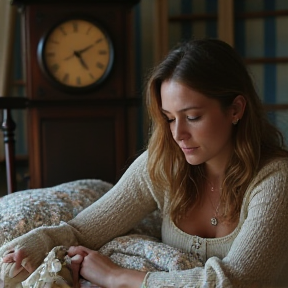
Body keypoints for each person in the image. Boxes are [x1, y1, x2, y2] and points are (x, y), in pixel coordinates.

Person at [1, 38, 288, 288]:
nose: (178, 134)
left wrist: (117, 277)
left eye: (192, 117)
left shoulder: (276, 179)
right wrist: (39, 242)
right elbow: (85, 229)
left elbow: (237, 282)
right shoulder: (166, 163)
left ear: (236, 109)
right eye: (170, 118)